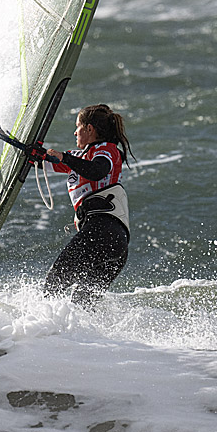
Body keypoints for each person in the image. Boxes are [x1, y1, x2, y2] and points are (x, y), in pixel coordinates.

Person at [43, 104, 134, 304]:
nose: (75, 132)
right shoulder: (79, 157)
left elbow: (97, 170)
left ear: (89, 129)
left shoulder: (107, 150)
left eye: (78, 126)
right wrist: (30, 152)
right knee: (81, 304)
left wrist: (64, 157)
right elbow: (43, 161)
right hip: (115, 245)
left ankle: (36, 331)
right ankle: (78, 336)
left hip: (102, 232)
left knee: (52, 286)